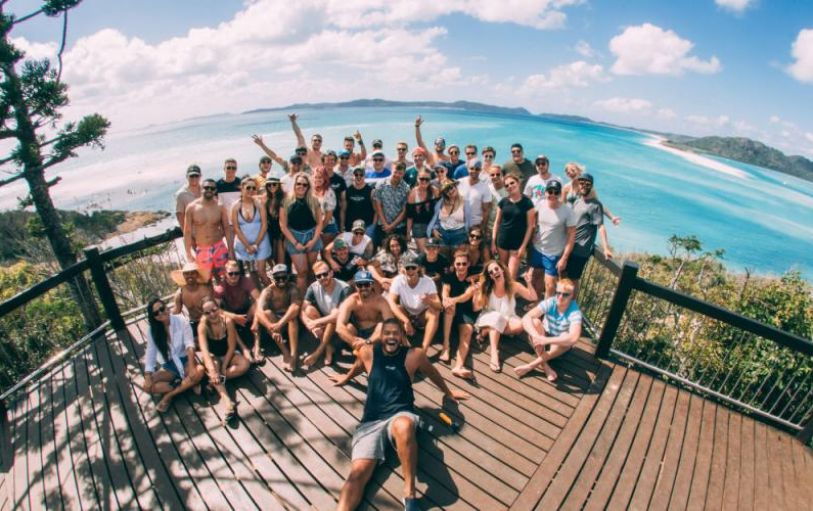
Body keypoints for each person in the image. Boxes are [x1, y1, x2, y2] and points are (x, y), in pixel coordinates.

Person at [332, 318, 468, 511]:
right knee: (357, 475)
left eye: (396, 333)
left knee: (403, 425)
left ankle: (409, 495)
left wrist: (448, 392)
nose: (391, 337)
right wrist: (345, 378)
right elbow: (358, 366)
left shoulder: (414, 355)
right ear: (381, 336)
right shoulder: (368, 353)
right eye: (387, 333)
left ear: (402, 337)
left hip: (400, 414)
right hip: (371, 422)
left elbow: (432, 372)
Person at [143, 298, 205, 413]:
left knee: (199, 370)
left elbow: (189, 345)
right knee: (148, 386)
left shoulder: (181, 320)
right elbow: (150, 353)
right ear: (153, 317)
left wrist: (191, 367)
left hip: (185, 360)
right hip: (169, 366)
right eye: (156, 313)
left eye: (161, 309)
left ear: (166, 307)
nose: (161, 313)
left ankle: (169, 396)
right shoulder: (152, 330)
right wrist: (147, 376)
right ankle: (189, 383)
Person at [474, 261, 537, 372]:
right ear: (490, 276)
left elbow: (533, 297)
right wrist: (477, 292)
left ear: (502, 269)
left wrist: (529, 283)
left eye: (496, 269)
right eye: (491, 272)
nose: (494, 272)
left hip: (508, 318)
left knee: (522, 324)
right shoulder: (488, 287)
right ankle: (494, 354)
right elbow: (476, 308)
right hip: (488, 317)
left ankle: (487, 331)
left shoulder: (513, 285)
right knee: (497, 318)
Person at [515, 278, 582, 382]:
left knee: (564, 336)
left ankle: (531, 366)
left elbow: (573, 338)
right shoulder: (551, 302)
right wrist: (537, 337)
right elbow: (526, 318)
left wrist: (546, 341)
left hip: (558, 346)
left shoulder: (574, 311)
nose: (560, 297)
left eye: (565, 294)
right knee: (535, 322)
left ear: (572, 296)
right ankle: (545, 366)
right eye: (558, 293)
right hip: (543, 339)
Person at [198, 297, 250, 421]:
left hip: (228, 354)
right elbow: (204, 351)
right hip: (213, 356)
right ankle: (228, 403)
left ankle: (214, 382)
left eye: (214, 310)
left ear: (219, 309)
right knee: (212, 364)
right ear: (203, 314)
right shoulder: (202, 326)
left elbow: (232, 347)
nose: (211, 314)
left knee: (245, 365)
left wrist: (222, 368)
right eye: (207, 312)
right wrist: (212, 370)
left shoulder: (227, 322)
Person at [530, 180, 576, 299]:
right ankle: (536, 303)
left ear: (560, 194)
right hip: (537, 248)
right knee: (536, 278)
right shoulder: (541, 204)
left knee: (550, 285)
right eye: (550, 191)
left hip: (554, 253)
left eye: (556, 192)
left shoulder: (567, 211)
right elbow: (530, 216)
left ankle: (546, 313)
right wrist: (532, 231)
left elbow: (572, 235)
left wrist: (564, 258)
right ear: (546, 192)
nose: (553, 195)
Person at [568, 173, 613, 296]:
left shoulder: (595, 205)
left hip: (580, 250)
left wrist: (605, 248)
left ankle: (571, 306)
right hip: (570, 246)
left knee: (573, 279)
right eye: (581, 182)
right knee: (564, 277)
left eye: (587, 184)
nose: (583, 185)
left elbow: (601, 226)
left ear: (591, 186)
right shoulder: (577, 202)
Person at [301, 261, 352, 367]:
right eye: (318, 276)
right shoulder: (313, 287)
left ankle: (319, 352)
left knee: (334, 314)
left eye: (325, 274)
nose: (322, 277)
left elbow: (338, 315)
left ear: (331, 273)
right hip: (326, 321)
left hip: (342, 323)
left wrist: (315, 323)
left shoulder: (344, 288)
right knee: (309, 310)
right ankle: (328, 346)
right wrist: (308, 323)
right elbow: (302, 308)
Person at [280, 173, 324, 294]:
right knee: (302, 272)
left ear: (308, 186)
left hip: (312, 235)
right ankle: (301, 300)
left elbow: (320, 223)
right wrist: (295, 243)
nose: (301, 186)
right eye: (298, 184)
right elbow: (283, 225)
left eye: (304, 184)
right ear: (294, 185)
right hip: (294, 236)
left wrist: (313, 241)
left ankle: (312, 297)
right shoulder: (286, 201)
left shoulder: (314, 201)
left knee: (312, 270)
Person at [253, 264, 302, 372]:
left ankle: (293, 355)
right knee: (267, 313)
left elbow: (295, 307)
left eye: (283, 277)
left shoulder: (292, 288)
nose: (281, 280)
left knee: (292, 317)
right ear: (272, 278)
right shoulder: (268, 291)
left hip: (287, 323)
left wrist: (279, 324)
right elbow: (259, 311)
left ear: (288, 276)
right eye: (277, 278)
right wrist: (270, 326)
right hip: (274, 325)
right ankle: (285, 352)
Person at [387, 254, 441, 351]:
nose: (410, 271)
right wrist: (405, 320)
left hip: (421, 316)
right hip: (406, 314)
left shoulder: (428, 281)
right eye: (408, 267)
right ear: (403, 269)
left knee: (434, 312)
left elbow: (439, 306)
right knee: (396, 308)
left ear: (418, 268)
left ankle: (424, 349)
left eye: (413, 267)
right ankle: (404, 341)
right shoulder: (398, 280)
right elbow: (391, 301)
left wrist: (429, 300)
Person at [184, 178, 232, 280]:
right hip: (202, 249)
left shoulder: (220, 206)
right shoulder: (192, 208)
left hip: (219, 247)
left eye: (212, 188)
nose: (209, 190)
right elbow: (187, 232)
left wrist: (231, 250)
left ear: (215, 190)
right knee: (205, 279)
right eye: (206, 187)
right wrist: (188, 254)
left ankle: (225, 295)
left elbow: (227, 229)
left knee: (226, 276)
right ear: (201, 188)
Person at [214, 260, 262, 362]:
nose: (234, 276)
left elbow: (259, 299)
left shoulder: (246, 281)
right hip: (233, 314)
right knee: (226, 321)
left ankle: (257, 347)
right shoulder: (220, 288)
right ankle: (244, 348)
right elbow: (215, 310)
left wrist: (250, 316)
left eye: (237, 273)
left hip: (246, 310)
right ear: (225, 274)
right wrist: (234, 317)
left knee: (258, 312)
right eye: (231, 273)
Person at [441, 250, 478, 378]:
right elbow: (445, 290)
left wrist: (452, 300)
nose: (461, 267)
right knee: (450, 307)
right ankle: (446, 346)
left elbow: (466, 296)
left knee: (468, 331)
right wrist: (446, 299)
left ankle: (459, 366)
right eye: (458, 264)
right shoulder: (449, 276)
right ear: (454, 264)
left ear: (468, 264)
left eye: (464, 264)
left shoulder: (472, 278)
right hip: (450, 312)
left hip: (466, 311)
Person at [492, 173, 536, 279]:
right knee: (502, 272)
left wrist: (523, 247)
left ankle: (510, 295)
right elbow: (497, 223)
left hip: (517, 243)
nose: (510, 186)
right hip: (502, 241)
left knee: (511, 276)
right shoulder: (503, 202)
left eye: (512, 183)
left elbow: (530, 226)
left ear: (518, 183)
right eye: (507, 185)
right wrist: (493, 243)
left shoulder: (527, 203)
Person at [230, 176, 272, 285]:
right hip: (244, 242)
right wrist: (248, 246)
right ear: (242, 188)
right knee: (252, 272)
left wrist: (256, 245)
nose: (251, 190)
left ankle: (274, 294)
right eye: (248, 188)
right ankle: (258, 295)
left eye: (254, 188)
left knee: (261, 271)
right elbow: (236, 228)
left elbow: (264, 225)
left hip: (261, 240)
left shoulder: (259, 204)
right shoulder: (235, 206)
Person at [335, 270, 393, 348]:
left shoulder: (381, 301)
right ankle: (360, 351)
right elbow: (339, 327)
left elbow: (390, 324)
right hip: (357, 334)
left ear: (372, 285)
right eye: (360, 285)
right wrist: (354, 341)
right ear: (355, 286)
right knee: (349, 328)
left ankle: (361, 353)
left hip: (374, 334)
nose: (363, 288)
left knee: (382, 326)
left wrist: (368, 341)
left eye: (366, 284)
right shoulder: (352, 300)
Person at [427, 179, 471, 255]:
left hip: (459, 235)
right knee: (444, 260)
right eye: (446, 190)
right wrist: (434, 229)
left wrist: (467, 235)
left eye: (451, 187)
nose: (450, 191)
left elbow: (469, 221)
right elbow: (435, 219)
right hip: (442, 235)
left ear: (455, 187)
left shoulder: (465, 202)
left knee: (457, 259)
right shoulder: (440, 202)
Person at [372, 162, 410, 246]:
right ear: (391, 170)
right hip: (382, 225)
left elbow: (404, 210)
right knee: (381, 251)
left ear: (403, 174)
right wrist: (386, 225)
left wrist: (391, 226)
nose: (397, 175)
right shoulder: (381, 184)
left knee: (398, 252)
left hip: (399, 227)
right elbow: (378, 205)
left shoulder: (406, 188)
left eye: (400, 173)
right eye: (395, 172)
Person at [171, 262, 213, 336]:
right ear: (183, 275)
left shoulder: (205, 289)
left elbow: (214, 307)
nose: (189, 276)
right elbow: (176, 311)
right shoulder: (180, 293)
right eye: (187, 273)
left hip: (209, 322)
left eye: (192, 273)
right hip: (193, 324)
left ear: (197, 274)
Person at [456, 159, 492, 235]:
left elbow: (486, 210)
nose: (474, 171)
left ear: (480, 170)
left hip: (475, 226)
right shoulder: (459, 183)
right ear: (468, 168)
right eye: (472, 168)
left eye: (477, 169)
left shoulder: (485, 187)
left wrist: (482, 228)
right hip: (458, 224)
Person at [405, 169, 437, 253]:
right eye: (422, 179)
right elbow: (410, 216)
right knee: (424, 252)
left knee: (434, 252)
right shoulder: (413, 193)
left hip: (433, 226)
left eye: (427, 179)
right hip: (418, 226)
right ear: (417, 179)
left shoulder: (434, 191)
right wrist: (408, 233)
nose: (424, 181)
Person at [344, 166, 377, 235]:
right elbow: (343, 210)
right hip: (350, 227)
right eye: (356, 175)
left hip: (367, 227)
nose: (358, 176)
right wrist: (342, 226)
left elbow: (376, 211)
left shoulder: (371, 191)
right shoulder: (347, 191)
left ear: (364, 176)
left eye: (361, 175)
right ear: (353, 176)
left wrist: (373, 226)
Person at [312, 166, 339, 245]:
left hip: (327, 226)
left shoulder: (329, 192)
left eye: (320, 177)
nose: (317, 179)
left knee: (324, 253)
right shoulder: (310, 191)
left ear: (325, 178)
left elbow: (328, 216)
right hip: (313, 226)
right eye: (315, 177)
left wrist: (319, 230)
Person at [263, 176, 286, 265]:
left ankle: (283, 273)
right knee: (272, 254)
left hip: (281, 230)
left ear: (278, 185)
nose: (271, 186)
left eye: (274, 184)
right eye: (269, 185)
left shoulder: (284, 198)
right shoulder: (267, 199)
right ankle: (275, 271)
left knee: (281, 255)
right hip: (271, 230)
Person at [174, 164, 201, 228]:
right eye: (191, 176)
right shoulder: (181, 194)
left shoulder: (205, 189)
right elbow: (180, 217)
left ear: (200, 176)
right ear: (187, 176)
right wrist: (186, 235)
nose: (194, 178)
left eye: (196, 176)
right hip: (192, 232)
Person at [485, 164, 507, 239]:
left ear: (502, 175)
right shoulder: (486, 189)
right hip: (489, 228)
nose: (495, 176)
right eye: (492, 175)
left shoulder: (508, 189)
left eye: (498, 174)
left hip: (504, 228)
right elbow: (485, 210)